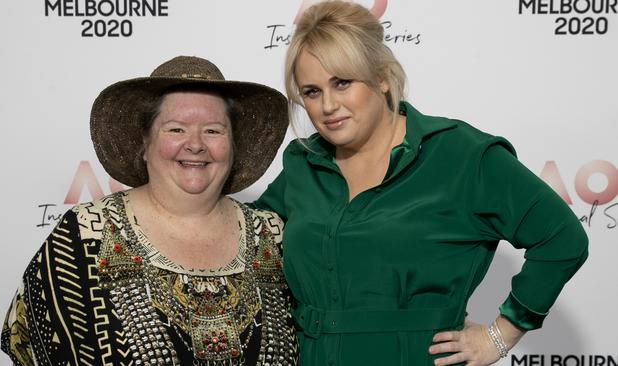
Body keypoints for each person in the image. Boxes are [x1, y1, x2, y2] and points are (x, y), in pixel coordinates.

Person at [252, 2, 589, 365]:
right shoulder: (303, 162)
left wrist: (502, 334)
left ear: (381, 76)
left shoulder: (462, 155)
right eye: (312, 92)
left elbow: (562, 239)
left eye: (343, 82)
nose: (328, 105)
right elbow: (242, 237)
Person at [1, 56, 298, 366]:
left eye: (213, 131)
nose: (195, 144)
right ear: (145, 142)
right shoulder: (85, 234)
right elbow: (29, 345)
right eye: (176, 129)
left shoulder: (273, 234)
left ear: (233, 145)